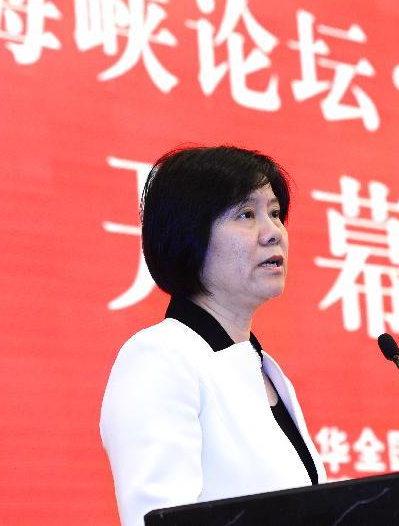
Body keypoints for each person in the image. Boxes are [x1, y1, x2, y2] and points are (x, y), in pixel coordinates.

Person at [100, 146, 326, 526]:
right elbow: (156, 519)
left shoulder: (261, 369)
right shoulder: (160, 358)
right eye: (246, 214)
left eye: (274, 213)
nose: (273, 233)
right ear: (189, 235)